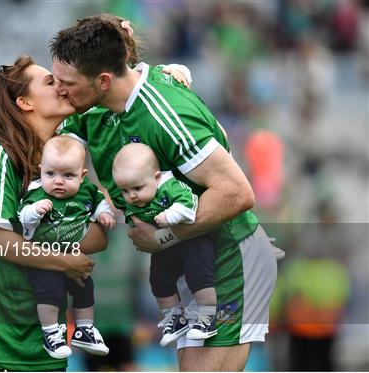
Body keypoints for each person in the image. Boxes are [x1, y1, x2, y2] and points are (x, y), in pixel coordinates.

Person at [50, 15, 277, 371]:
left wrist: (163, 237)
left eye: (67, 83)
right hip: (191, 265)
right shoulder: (93, 106)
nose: (58, 90)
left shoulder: (166, 113)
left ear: (103, 80)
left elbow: (237, 193)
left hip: (231, 262)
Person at [0, 56, 107, 372]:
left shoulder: (61, 164)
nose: (61, 86)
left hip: (42, 345)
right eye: (49, 81)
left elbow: (97, 236)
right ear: (25, 102)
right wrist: (65, 260)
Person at [112, 143, 218, 345]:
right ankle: (175, 319)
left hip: (193, 241)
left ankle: (207, 318)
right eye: (125, 190)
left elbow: (190, 205)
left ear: (157, 178)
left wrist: (170, 215)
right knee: (158, 280)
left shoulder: (170, 187)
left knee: (200, 278)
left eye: (137, 188)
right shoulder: (136, 200)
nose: (132, 195)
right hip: (167, 246)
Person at [18, 135, 114, 358]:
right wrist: (35, 211)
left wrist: (104, 214)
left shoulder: (87, 190)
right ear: (41, 171)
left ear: (82, 176)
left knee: (85, 288)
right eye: (51, 174)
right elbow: (22, 217)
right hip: (44, 259)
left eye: (68, 175)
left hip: (74, 255)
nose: (58, 181)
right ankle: (51, 333)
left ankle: (84, 329)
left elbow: (99, 201)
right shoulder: (36, 192)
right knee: (49, 293)